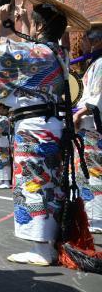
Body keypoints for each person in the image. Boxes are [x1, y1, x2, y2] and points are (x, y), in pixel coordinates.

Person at [0, 0, 86, 265]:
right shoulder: (57, 52)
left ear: (39, 26)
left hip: (33, 128)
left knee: (34, 184)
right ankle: (50, 241)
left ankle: (41, 249)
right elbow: (28, 45)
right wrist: (21, 23)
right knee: (51, 184)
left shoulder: (35, 52)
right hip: (52, 125)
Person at [73, 20, 102, 234]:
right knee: (88, 171)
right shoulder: (94, 63)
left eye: (85, 37)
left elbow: (97, 97)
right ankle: (92, 215)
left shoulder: (100, 63)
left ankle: (97, 217)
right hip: (87, 125)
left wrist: (81, 112)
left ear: (96, 40)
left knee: (95, 171)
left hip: (91, 125)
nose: (81, 41)